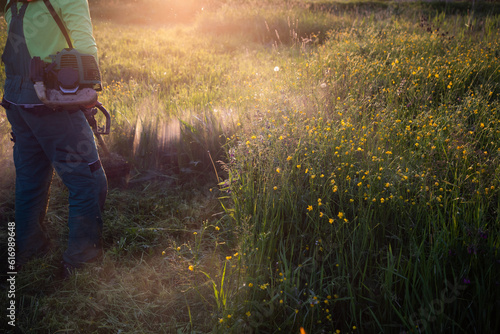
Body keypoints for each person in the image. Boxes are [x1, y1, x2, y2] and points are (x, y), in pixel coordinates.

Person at [1, 0, 107, 277]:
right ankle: (82, 259)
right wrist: (85, 97)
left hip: (15, 101)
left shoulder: (13, 4)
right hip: (52, 101)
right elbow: (85, 47)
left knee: (30, 180)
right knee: (89, 179)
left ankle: (28, 249)